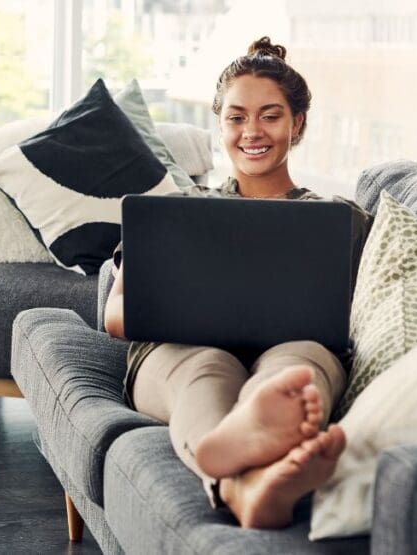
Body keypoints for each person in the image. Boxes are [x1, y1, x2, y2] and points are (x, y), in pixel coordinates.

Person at [104, 36, 372, 529]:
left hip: (295, 346)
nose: (253, 131)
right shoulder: (177, 213)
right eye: (236, 117)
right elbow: (115, 314)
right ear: (220, 124)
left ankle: (244, 479)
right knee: (207, 365)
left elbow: (364, 313)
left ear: (298, 124)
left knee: (297, 366)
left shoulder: (339, 220)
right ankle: (244, 477)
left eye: (270, 116)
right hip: (182, 353)